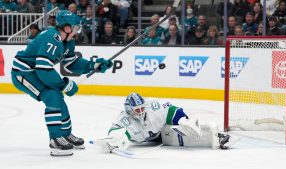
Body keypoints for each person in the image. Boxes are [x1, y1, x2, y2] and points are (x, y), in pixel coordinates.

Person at [10, 10, 113, 157]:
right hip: (23, 73)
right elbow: (43, 69)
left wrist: (92, 65)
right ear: (66, 27)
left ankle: (65, 134)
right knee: (52, 96)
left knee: (57, 97)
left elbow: (72, 64)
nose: (77, 30)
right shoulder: (52, 38)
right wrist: (64, 84)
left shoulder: (68, 42)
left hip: (36, 71)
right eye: (75, 27)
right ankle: (55, 140)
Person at [94, 93, 236, 153]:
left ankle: (217, 137)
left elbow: (172, 111)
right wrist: (113, 141)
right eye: (137, 110)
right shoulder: (124, 119)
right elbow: (114, 130)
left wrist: (184, 121)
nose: (141, 112)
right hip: (150, 139)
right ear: (129, 110)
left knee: (183, 132)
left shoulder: (153, 107)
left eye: (142, 108)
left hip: (163, 131)